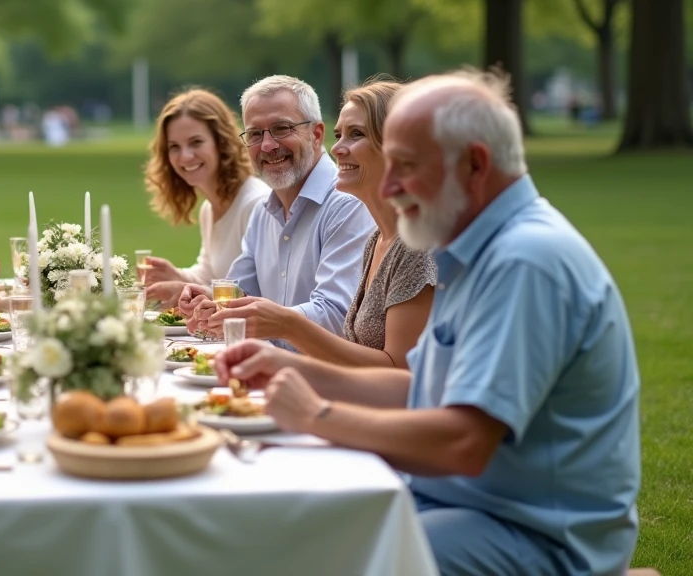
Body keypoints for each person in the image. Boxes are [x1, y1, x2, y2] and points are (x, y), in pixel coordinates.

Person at [216, 70, 640, 576]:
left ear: (475, 165)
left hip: (536, 535)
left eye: (407, 166)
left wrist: (318, 415)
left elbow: (463, 441)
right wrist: (293, 372)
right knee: (274, 525)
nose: (389, 186)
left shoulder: (525, 261)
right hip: (465, 505)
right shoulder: (473, 248)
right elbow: (421, 391)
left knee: (318, 555)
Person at [250, 79, 435, 367]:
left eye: (356, 134)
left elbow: (400, 373)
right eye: (339, 135)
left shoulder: (417, 245)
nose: (337, 149)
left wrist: (287, 325)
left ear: (399, 148)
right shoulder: (378, 240)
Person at [180, 75, 374, 342]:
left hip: (321, 379)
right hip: (269, 371)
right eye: (255, 134)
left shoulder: (347, 204)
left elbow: (336, 316)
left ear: (316, 134)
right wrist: (207, 301)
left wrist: (264, 320)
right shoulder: (263, 212)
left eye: (282, 128)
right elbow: (238, 294)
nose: (268, 145)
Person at [140, 88, 269, 308]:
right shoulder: (209, 209)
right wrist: (175, 275)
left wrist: (182, 288)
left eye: (196, 142)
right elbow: (211, 273)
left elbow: (264, 294)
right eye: (174, 147)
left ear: (221, 142)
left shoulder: (256, 204)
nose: (185, 156)